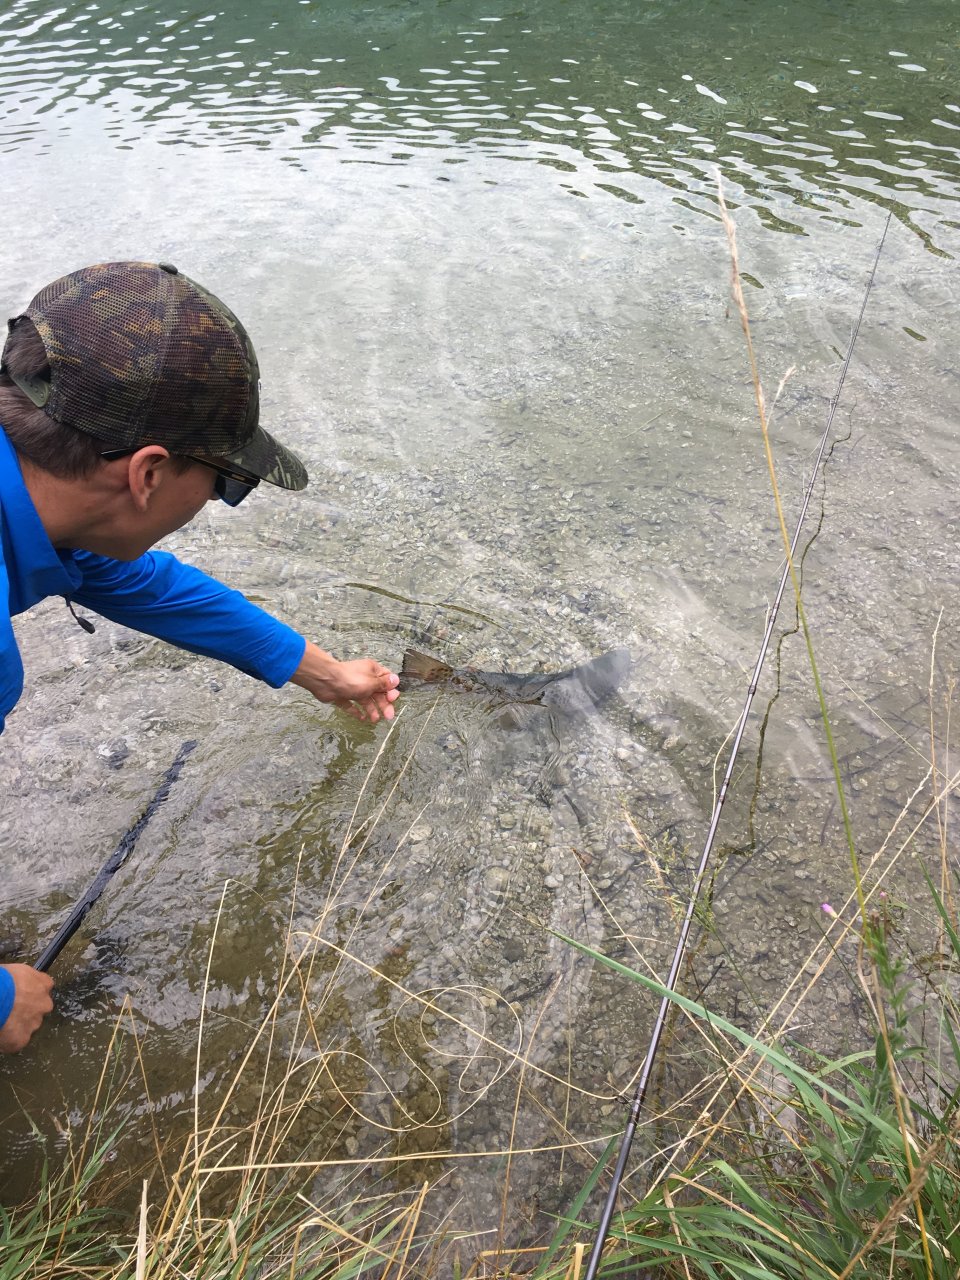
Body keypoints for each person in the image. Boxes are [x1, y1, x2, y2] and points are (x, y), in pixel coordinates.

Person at [0, 260, 400, 1053]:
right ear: (148, 472)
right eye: (225, 485)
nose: (215, 503)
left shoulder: (44, 507)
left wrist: (322, 673)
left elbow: (136, 581)